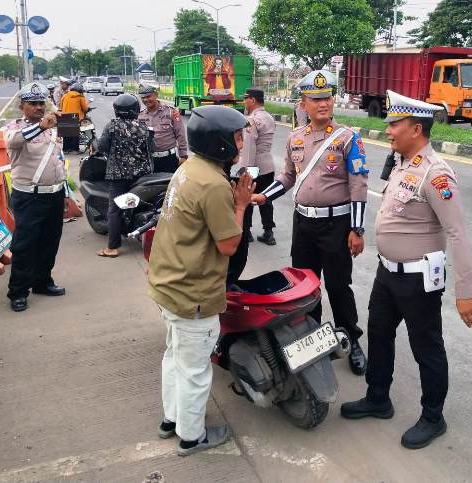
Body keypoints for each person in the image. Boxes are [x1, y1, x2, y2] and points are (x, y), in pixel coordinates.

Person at [340, 90, 472, 450]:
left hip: (419, 279)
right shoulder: (402, 162)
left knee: (426, 347)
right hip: (388, 275)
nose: (388, 131)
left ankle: (433, 417)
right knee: (379, 333)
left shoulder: (436, 174)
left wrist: (464, 292)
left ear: (415, 129)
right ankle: (378, 398)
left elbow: (457, 233)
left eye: (394, 125)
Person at [147, 105, 255, 456]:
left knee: (174, 356)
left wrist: (233, 200)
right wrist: (239, 205)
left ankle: (171, 419)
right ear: (220, 142)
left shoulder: (189, 169)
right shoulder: (214, 185)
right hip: (193, 291)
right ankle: (191, 437)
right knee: (195, 371)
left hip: (169, 284)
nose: (241, 142)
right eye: (237, 137)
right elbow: (228, 245)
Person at [252, 70, 370, 376]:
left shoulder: (347, 138)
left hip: (337, 225)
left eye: (327, 97)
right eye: (316, 99)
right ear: (303, 103)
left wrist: (357, 230)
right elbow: (288, 177)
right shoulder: (295, 138)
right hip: (304, 224)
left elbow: (358, 184)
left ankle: (351, 340)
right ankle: (313, 337)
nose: (323, 103)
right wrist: (263, 197)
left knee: (338, 285)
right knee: (305, 285)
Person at [3, 82, 67, 312]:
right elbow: (14, 142)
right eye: (33, 104)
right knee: (24, 245)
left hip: (54, 195)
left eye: (42, 103)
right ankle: (18, 291)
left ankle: (42, 281)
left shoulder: (53, 129)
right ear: (22, 106)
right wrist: (42, 125)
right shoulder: (14, 127)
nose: (39, 107)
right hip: (28, 197)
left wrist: (66, 192)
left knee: (50, 241)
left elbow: (58, 160)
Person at [95, 94, 153, 258]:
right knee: (139, 204)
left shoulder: (112, 126)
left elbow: (102, 146)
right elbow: (151, 149)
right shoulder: (143, 126)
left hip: (118, 175)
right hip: (142, 175)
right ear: (135, 110)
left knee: (114, 209)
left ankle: (112, 248)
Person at [240, 87, 276, 245]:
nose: (244, 102)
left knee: (247, 199)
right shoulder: (269, 117)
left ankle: (246, 232)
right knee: (266, 199)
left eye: (245, 98)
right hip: (268, 165)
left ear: (252, 100)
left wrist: (246, 171)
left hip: (254, 166)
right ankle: (269, 232)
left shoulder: (252, 120)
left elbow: (249, 148)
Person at [138, 85, 188, 173]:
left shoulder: (171, 112)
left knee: (170, 185)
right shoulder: (140, 116)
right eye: (143, 97)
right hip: (150, 160)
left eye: (148, 96)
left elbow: (180, 135)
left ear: (156, 95)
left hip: (169, 160)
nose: (145, 100)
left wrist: (183, 156)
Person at [59, 82, 88, 153]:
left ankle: (66, 150)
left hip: (64, 116)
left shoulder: (64, 96)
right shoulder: (80, 97)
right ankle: (75, 150)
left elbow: (61, 107)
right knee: (75, 135)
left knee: (66, 135)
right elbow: (85, 109)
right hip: (75, 116)